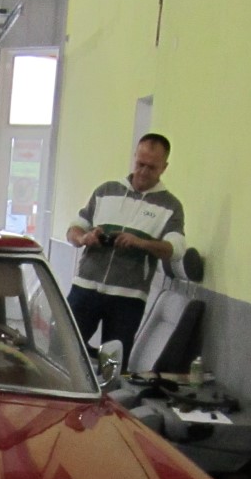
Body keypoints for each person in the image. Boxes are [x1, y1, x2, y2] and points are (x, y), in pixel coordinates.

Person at [64, 133, 187, 357]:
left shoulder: (171, 206)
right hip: (85, 288)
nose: (143, 171)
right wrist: (84, 238)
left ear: (164, 167)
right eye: (140, 164)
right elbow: (73, 230)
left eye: (152, 167)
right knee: (64, 351)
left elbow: (176, 250)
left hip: (128, 298)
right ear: (134, 157)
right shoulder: (105, 191)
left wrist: (141, 243)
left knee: (114, 363)